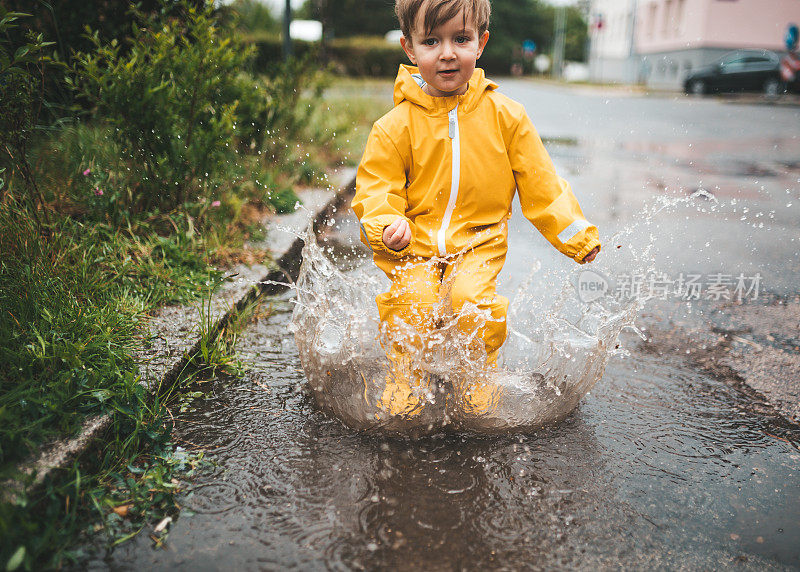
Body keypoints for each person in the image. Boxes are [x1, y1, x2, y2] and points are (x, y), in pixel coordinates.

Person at [351, 0, 600, 418]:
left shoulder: (506, 117)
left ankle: (476, 376)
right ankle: (407, 374)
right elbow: (376, 189)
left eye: (460, 39)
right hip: (414, 242)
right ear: (409, 49)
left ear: (481, 43)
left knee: (471, 304)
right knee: (413, 302)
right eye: (431, 41)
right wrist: (386, 222)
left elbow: (542, 184)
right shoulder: (394, 127)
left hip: (478, 242)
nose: (447, 53)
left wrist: (576, 235)